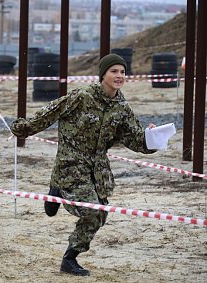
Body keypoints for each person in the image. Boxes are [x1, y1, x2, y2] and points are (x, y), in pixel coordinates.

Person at [10, 54, 157, 276]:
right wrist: (25, 128)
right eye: (114, 71)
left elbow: (133, 138)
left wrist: (151, 138)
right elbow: (52, 112)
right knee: (92, 212)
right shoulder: (82, 96)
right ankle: (69, 258)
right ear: (103, 75)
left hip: (97, 169)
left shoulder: (121, 107)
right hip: (71, 164)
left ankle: (58, 195)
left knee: (101, 214)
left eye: (123, 72)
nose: (119, 76)